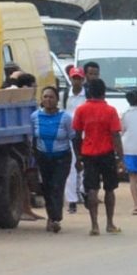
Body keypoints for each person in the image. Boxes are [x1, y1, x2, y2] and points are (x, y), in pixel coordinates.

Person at [70, 78, 125, 236]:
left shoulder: (81, 110)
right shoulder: (110, 111)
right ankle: (110, 223)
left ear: (88, 92)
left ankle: (94, 225)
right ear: (104, 92)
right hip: (107, 154)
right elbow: (115, 135)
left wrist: (78, 156)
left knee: (92, 189)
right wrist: (121, 157)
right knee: (109, 189)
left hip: (88, 154)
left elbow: (76, 135)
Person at [30, 85, 74, 234]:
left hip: (62, 158)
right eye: (45, 97)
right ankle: (52, 218)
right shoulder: (35, 116)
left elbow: (73, 138)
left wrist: (80, 159)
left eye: (51, 97)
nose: (48, 100)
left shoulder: (66, 118)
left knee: (57, 186)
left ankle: (55, 219)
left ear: (57, 100)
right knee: (47, 188)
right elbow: (32, 139)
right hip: (43, 158)